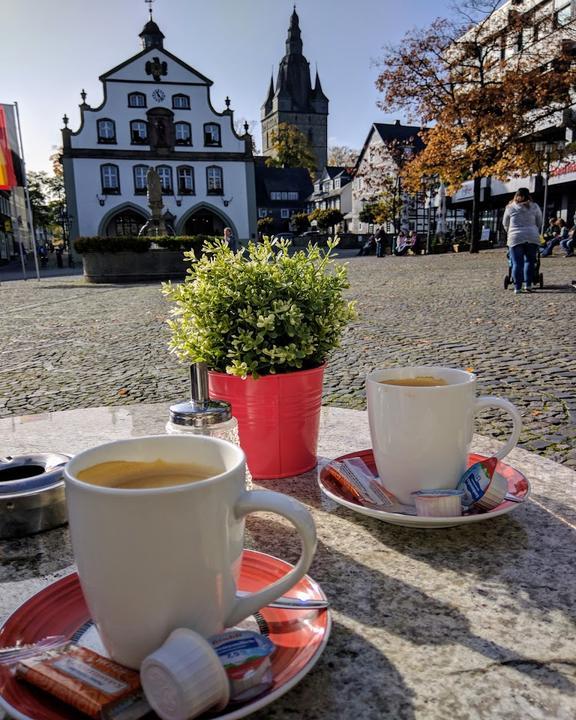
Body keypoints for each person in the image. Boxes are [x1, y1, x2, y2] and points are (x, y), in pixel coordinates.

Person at [502, 187, 542, 294]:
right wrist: (534, 229)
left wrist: (510, 232)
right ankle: (528, 285)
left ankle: (517, 287)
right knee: (529, 261)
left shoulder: (510, 207)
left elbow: (505, 223)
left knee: (516, 263)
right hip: (531, 236)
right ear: (529, 196)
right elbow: (539, 221)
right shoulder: (535, 206)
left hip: (515, 237)